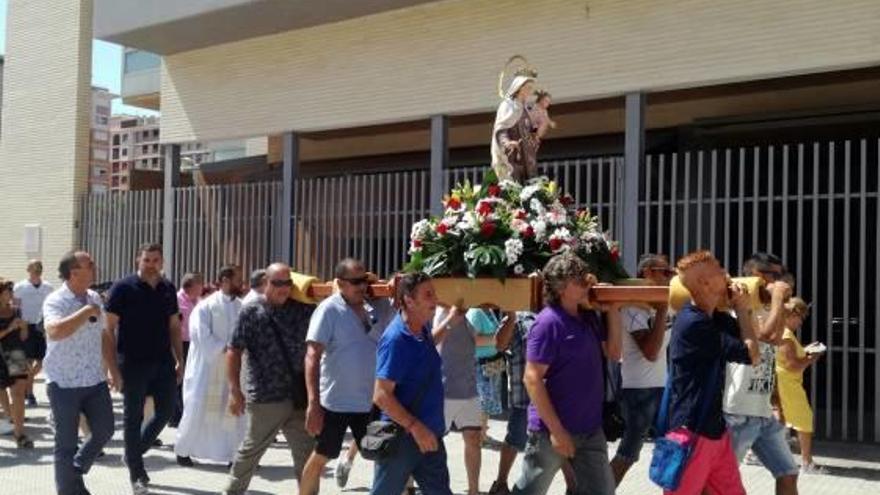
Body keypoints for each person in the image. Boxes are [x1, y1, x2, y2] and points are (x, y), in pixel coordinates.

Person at [511, 252, 622, 495]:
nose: (586, 283)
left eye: (585, 277)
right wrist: (558, 432)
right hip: (551, 430)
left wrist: (611, 309)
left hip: (591, 428)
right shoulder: (547, 323)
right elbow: (532, 378)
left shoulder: (589, 317)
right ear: (561, 287)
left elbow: (614, 353)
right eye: (579, 279)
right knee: (530, 491)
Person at [663, 250, 759, 495]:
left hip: (715, 431)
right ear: (704, 283)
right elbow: (752, 354)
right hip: (691, 432)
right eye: (718, 269)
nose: (725, 273)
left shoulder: (715, 318)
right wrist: (742, 308)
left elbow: (752, 338)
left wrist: (742, 308)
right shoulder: (692, 323)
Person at [300, 258, 394, 495]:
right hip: (336, 403)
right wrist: (313, 403)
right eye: (355, 282)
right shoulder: (328, 310)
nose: (362, 286)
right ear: (340, 283)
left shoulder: (376, 307)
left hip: (371, 402)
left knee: (386, 457)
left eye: (364, 280)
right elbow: (312, 357)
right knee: (321, 457)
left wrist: (382, 286)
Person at [224, 263, 315, 495]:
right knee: (251, 451)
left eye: (287, 283)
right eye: (277, 283)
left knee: (306, 455)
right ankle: (232, 492)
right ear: (265, 283)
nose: (283, 288)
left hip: (298, 396)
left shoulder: (304, 309)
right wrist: (235, 391)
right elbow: (233, 351)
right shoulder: (251, 312)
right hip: (266, 396)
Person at [103, 243, 184, 495]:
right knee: (132, 417)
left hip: (162, 362)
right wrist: (112, 369)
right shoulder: (122, 288)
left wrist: (180, 358)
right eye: (146, 260)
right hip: (132, 362)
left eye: (155, 260)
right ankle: (137, 475)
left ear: (162, 262)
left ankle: (133, 453)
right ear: (138, 260)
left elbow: (173, 326)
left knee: (167, 411)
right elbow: (108, 330)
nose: (150, 264)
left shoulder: (168, 288)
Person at [723, 253, 800, 495]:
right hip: (737, 411)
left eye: (782, 274)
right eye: (774, 276)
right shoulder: (739, 307)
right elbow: (764, 335)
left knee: (788, 473)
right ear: (756, 276)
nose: (781, 280)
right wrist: (778, 298)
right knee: (722, 482)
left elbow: (776, 339)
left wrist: (778, 302)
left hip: (762, 410)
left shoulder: (768, 307)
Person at [370, 272, 452, 495]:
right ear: (408, 300)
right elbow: (380, 395)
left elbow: (424, 349)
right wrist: (416, 428)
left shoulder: (421, 327)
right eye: (428, 295)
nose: (435, 300)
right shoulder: (395, 339)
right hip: (402, 440)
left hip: (431, 436)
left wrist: (452, 321)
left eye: (434, 293)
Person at [42, 251, 115, 495]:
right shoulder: (55, 300)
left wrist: (113, 369)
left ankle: (77, 467)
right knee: (66, 444)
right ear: (74, 272)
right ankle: (70, 490)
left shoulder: (94, 296)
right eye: (90, 264)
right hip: (63, 382)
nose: (95, 267)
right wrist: (85, 312)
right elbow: (54, 332)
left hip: (94, 379)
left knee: (105, 430)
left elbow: (104, 333)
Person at [435, 303, 515, 495]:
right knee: (429, 441)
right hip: (444, 388)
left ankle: (474, 491)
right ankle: (411, 486)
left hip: (468, 387)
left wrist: (509, 320)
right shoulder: (441, 310)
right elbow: (432, 341)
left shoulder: (472, 307)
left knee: (473, 439)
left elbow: (490, 342)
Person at [610, 254, 673, 485]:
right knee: (628, 453)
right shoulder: (631, 308)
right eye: (664, 272)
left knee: (676, 448)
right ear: (646, 273)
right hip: (638, 390)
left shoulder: (658, 305)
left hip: (660, 386)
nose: (669, 278)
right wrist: (663, 309)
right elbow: (650, 351)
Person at [174, 265, 246, 467]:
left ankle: (234, 455)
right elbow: (199, 334)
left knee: (232, 411)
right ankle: (183, 450)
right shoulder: (205, 306)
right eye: (237, 279)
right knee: (197, 408)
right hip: (207, 368)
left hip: (232, 369)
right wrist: (225, 348)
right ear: (224, 280)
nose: (241, 283)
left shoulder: (242, 306)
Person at [776, 297, 826, 474]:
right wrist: (811, 357)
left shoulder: (783, 333)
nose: (801, 322)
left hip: (785, 382)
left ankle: (756, 454)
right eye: (800, 317)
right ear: (790, 315)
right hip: (788, 383)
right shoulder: (786, 335)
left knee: (779, 420)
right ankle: (806, 463)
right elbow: (793, 365)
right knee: (804, 419)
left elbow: (791, 358)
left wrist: (805, 350)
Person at [488, 311, 535, 495]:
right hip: (524, 395)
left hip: (551, 394)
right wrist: (513, 316)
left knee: (555, 443)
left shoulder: (556, 312)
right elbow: (499, 344)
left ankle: (573, 487)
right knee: (515, 439)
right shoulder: (517, 317)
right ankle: (500, 484)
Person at [13, 259, 54, 407]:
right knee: (28, 360)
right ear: (28, 269)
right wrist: (21, 327)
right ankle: (30, 394)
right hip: (26, 326)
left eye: (39, 266)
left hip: (43, 327)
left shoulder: (48, 287)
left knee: (43, 360)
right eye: (34, 266)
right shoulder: (20, 287)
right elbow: (16, 310)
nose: (37, 268)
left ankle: (27, 380)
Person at [0, 278, 33, 448]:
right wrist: (10, 328)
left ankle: (19, 433)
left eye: (11, 292)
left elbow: (23, 338)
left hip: (16, 355)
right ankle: (7, 419)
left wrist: (24, 328)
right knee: (3, 391)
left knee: (19, 394)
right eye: (8, 292)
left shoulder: (16, 311)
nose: (11, 295)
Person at [467, 308, 508, 441]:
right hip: (480, 365)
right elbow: (472, 339)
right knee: (482, 403)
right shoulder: (476, 312)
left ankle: (483, 433)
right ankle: (479, 436)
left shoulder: (488, 310)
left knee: (488, 402)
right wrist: (497, 339)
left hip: (491, 363)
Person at [491, 68, 540, 182]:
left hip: (526, 154)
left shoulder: (525, 108)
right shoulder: (508, 105)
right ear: (519, 87)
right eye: (528, 88)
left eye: (531, 88)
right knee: (513, 180)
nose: (530, 91)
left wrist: (534, 136)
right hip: (512, 153)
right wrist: (506, 143)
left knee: (527, 182)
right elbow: (501, 129)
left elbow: (530, 128)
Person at [170, 272, 204, 428]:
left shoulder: (197, 301)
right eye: (199, 285)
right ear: (191, 286)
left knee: (188, 379)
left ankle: (182, 413)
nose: (202, 288)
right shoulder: (176, 300)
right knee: (178, 378)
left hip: (193, 344)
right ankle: (175, 415)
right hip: (179, 343)